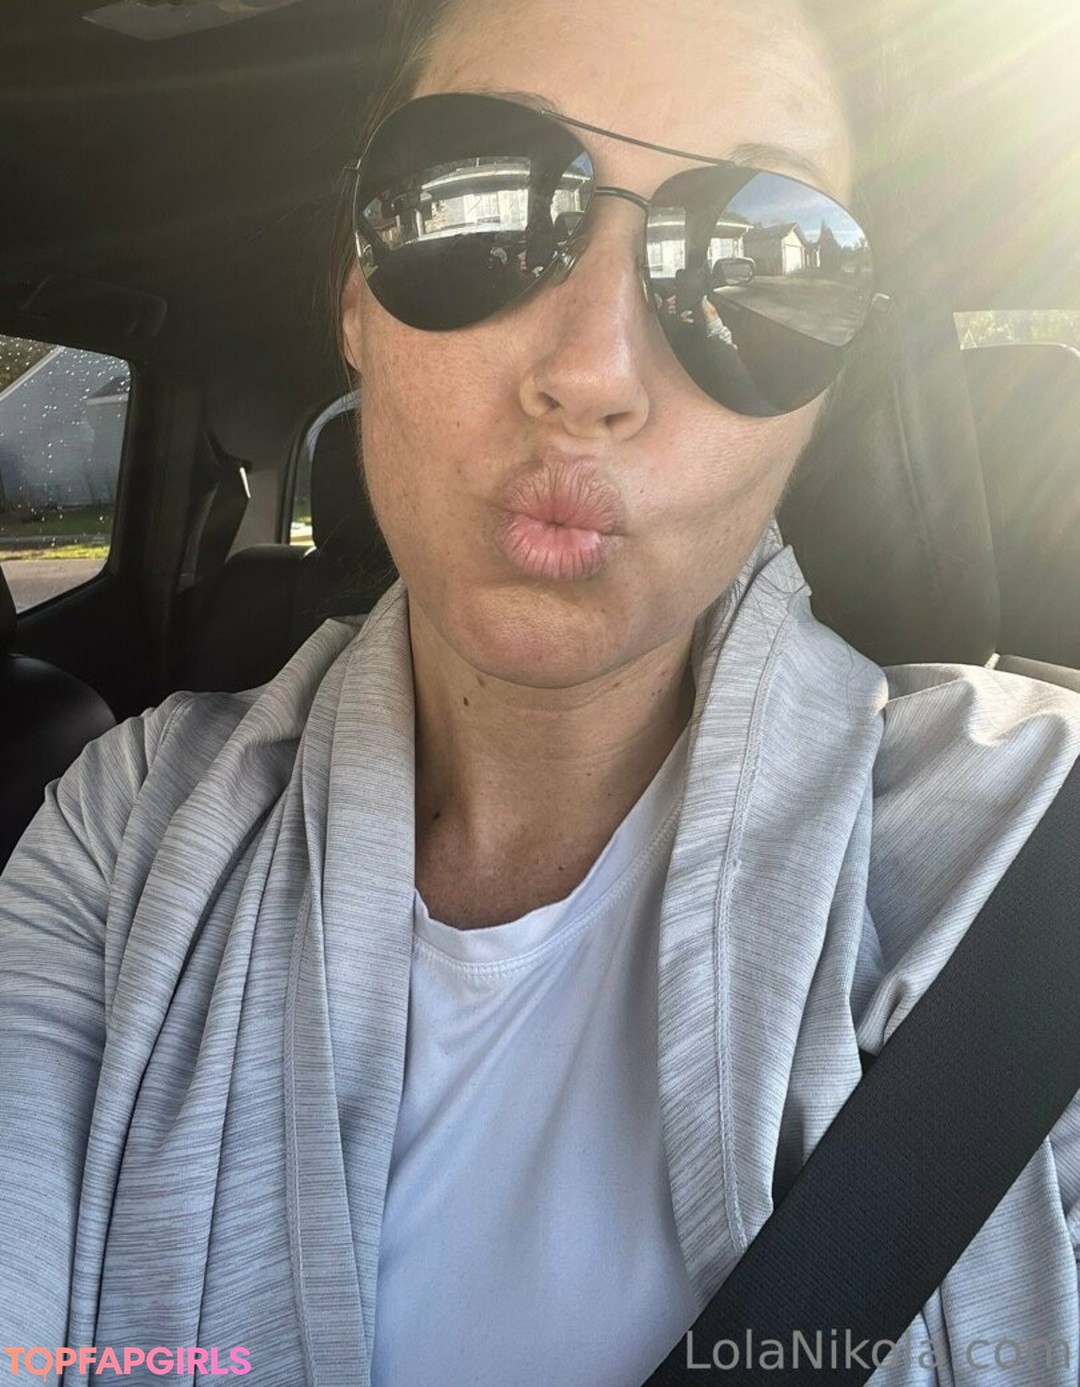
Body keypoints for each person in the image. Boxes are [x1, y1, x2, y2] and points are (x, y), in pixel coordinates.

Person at [2, 0, 1079, 1384]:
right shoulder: (121, 838)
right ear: (354, 298)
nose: (591, 374)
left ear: (821, 399)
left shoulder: (1032, 866)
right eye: (482, 202)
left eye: (755, 259)